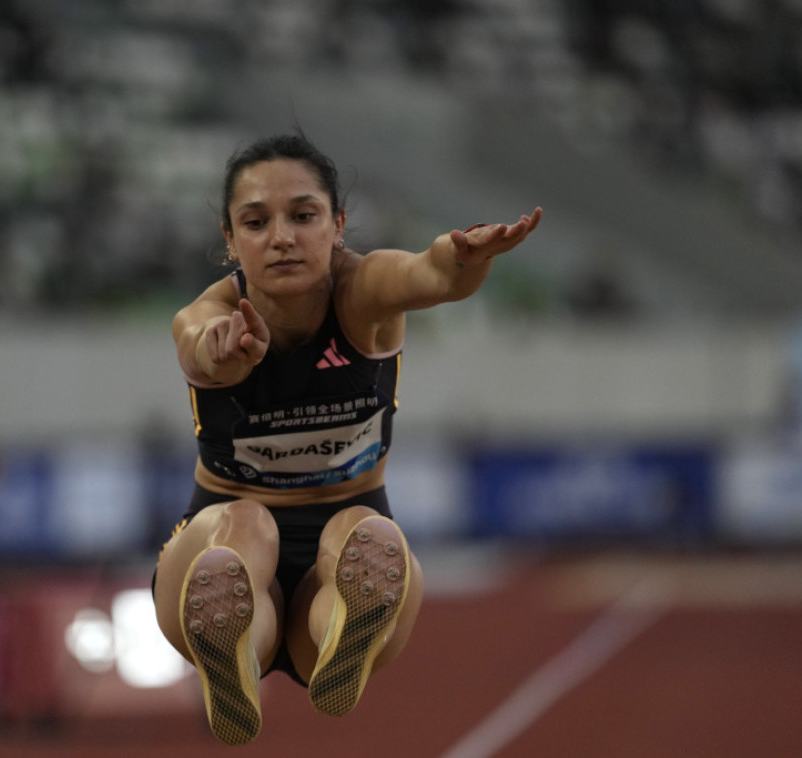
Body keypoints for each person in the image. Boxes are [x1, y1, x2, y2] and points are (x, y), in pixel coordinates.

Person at [152, 132, 542, 745]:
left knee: (364, 534)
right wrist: (221, 353)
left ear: (337, 224)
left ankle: (340, 629)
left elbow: (428, 273)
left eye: (302, 216)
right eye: (256, 222)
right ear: (230, 240)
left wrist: (462, 256)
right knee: (246, 527)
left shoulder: (363, 291)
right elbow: (198, 349)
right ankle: (233, 651)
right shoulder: (207, 317)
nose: (282, 237)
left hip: (344, 556)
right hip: (217, 554)